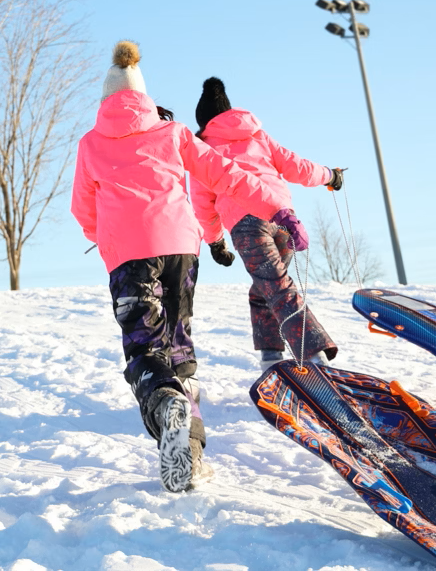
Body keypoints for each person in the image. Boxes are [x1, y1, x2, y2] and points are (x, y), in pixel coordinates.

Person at [71, 42, 284, 493]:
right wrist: (277, 206)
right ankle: (191, 451)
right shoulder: (172, 132)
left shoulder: (90, 143)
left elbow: (82, 209)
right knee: (179, 346)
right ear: (143, 96)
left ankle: (165, 401)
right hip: (180, 250)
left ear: (105, 100)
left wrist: (105, 238)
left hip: (129, 255)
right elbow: (224, 172)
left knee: (146, 347)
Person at [191, 77, 344, 371]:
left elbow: (202, 203)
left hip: (247, 226)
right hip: (281, 221)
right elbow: (297, 166)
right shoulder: (258, 136)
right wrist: (330, 175)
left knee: (276, 288)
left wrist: (215, 242)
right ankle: (271, 356)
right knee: (265, 289)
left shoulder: (204, 150)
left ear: (204, 122)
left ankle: (316, 356)